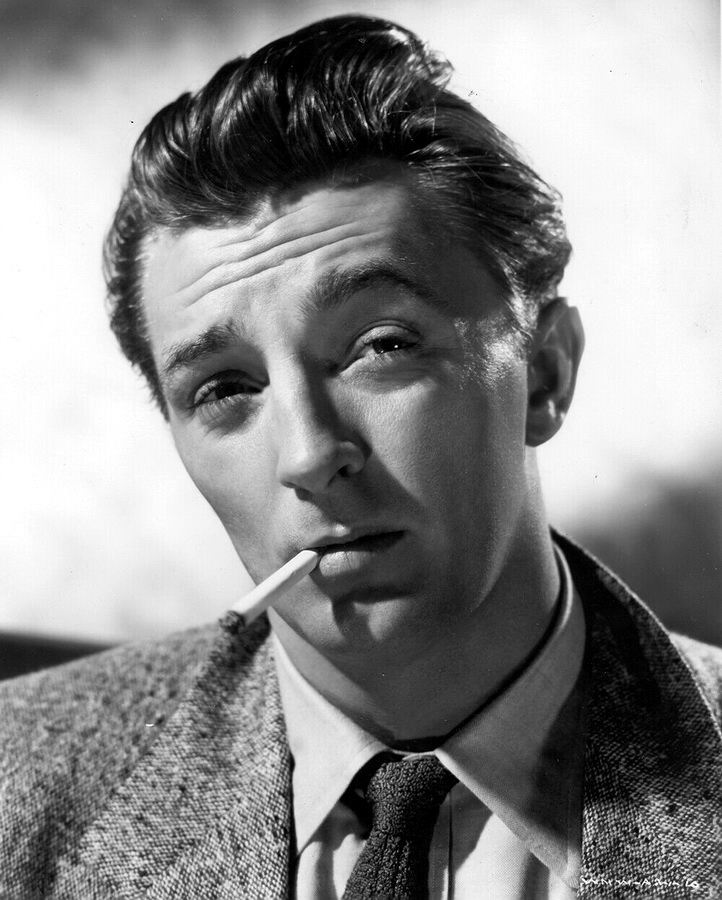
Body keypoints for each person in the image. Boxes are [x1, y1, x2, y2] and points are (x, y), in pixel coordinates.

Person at [1, 14, 720, 899]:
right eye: (226, 389)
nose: (310, 455)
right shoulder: (16, 783)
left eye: (380, 346)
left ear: (544, 373)